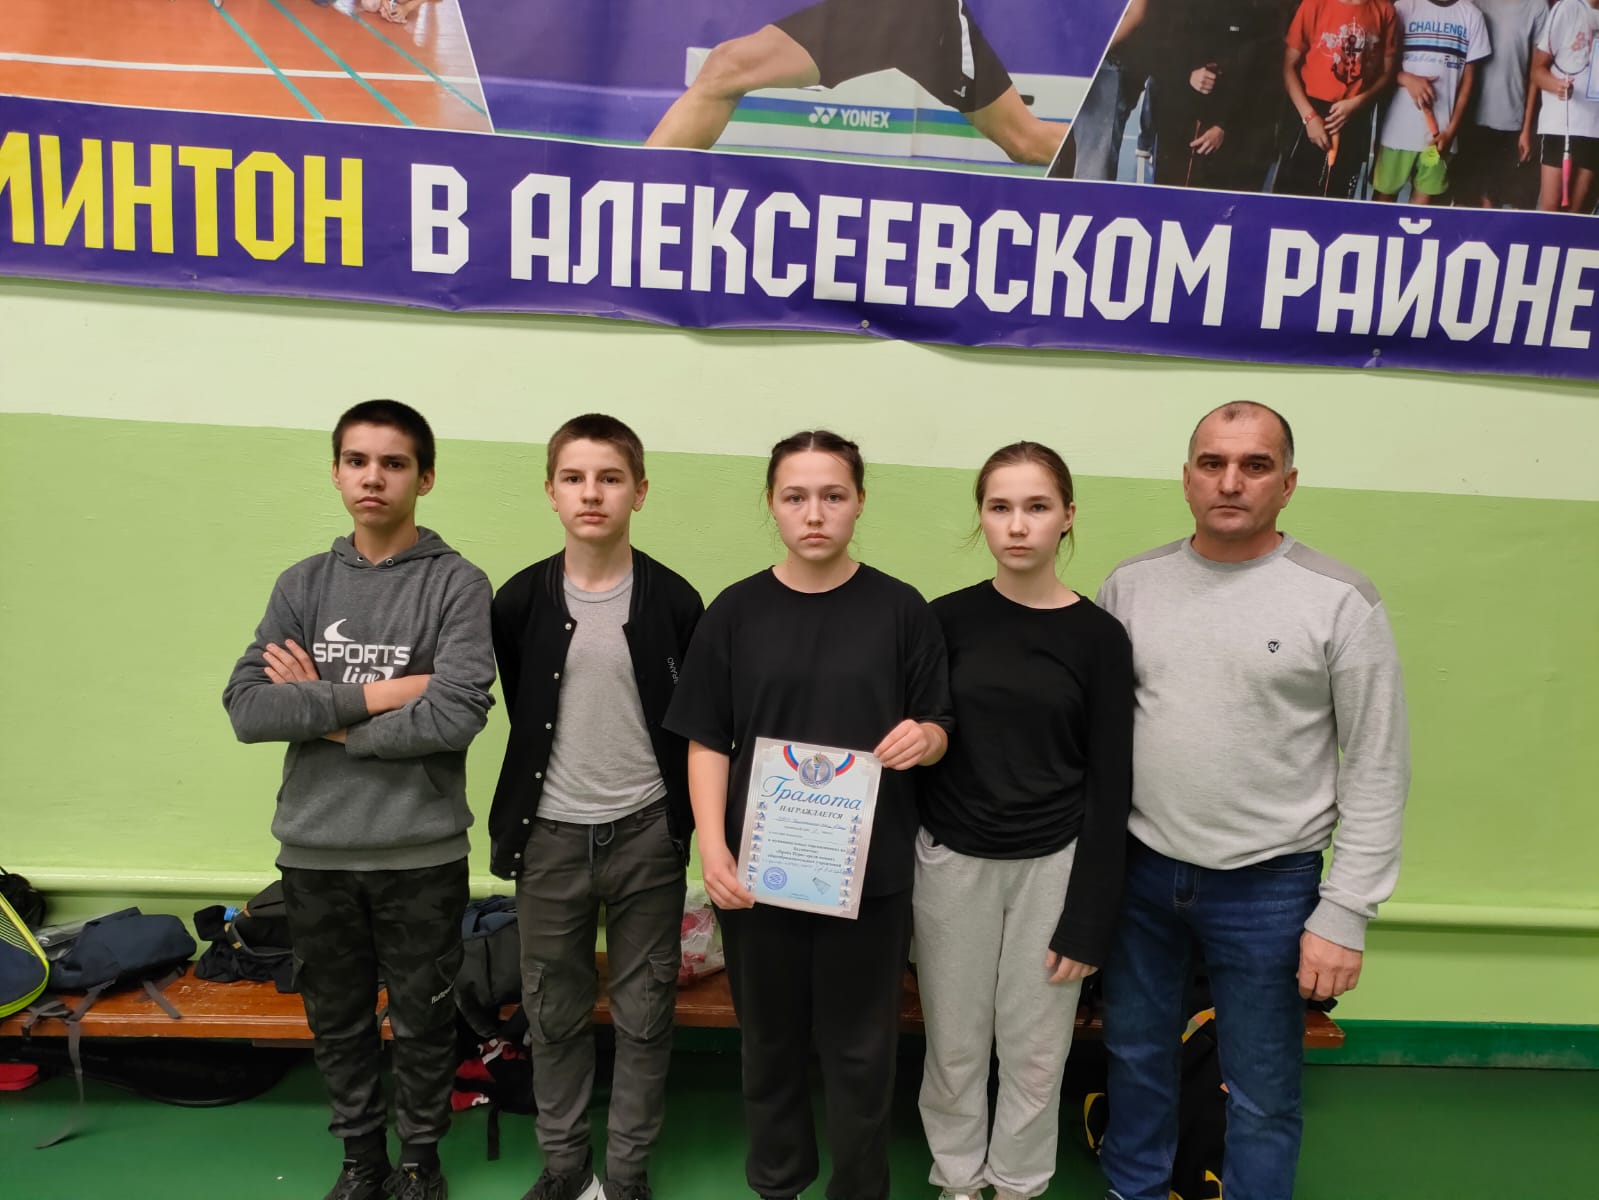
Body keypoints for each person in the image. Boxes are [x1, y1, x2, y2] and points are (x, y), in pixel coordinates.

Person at [1096, 401, 1410, 1200]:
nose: (1229, 482)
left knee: (1262, 1091)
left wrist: (1345, 913)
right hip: (1141, 874)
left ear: (1287, 484)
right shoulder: (1130, 587)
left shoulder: (1338, 600)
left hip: (1269, 888)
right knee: (1134, 1061)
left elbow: (1377, 764)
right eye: (1211, 463)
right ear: (1186, 478)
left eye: (1254, 465)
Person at [664, 430, 953, 1200]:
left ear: (858, 503)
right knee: (769, 1044)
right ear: (771, 503)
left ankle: (858, 1189)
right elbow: (706, 739)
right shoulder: (734, 612)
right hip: (760, 874)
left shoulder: (900, 610)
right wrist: (712, 849)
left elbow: (938, 725)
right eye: (795, 496)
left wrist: (925, 739)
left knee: (862, 1050)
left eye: (832, 495)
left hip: (869, 876)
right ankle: (778, 1181)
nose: (814, 513)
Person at [222, 400, 496, 1200]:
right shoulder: (302, 584)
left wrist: (323, 710)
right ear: (337, 473)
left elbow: (456, 715)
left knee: (424, 1017)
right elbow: (249, 710)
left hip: (421, 850)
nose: (373, 477)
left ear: (425, 478)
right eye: (356, 461)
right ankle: (360, 1161)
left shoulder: (456, 584)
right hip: (315, 851)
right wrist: (388, 693)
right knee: (337, 1021)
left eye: (393, 463)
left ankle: (418, 1162)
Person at [487, 415, 704, 1200]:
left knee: (645, 1012)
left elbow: (693, 724)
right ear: (550, 491)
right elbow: (523, 702)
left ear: (639, 492)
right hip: (548, 835)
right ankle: (563, 1167)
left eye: (610, 478)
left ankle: (629, 1172)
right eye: (574, 478)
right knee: (553, 1011)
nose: (591, 493)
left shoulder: (675, 601)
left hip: (647, 833)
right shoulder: (519, 600)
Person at [915, 443, 1133, 1200]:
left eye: (1036, 507)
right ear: (980, 517)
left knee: (1036, 1052)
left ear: (1067, 517)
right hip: (953, 862)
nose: (1017, 525)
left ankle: (1016, 1184)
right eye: (999, 507)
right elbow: (918, 746)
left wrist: (1089, 919)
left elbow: (1112, 782)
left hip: (1055, 866)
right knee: (954, 1046)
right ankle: (956, 1179)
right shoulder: (943, 621)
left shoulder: (1099, 638)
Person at [645, 0, 1064, 166]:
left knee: (1024, 141)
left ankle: (1094, 161)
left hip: (916, 15)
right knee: (725, 68)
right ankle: (634, 198)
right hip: (870, 11)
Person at [1372, 0, 1491, 203]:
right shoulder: (1403, 7)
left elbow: (1468, 83)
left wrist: (1451, 132)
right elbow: (1378, 65)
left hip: (1439, 137)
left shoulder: (1472, 15)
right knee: (1383, 202)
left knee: (1422, 210)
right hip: (1398, 132)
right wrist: (1405, 78)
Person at [1278, 0, 1398, 197]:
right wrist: (1309, 117)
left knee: (1338, 191)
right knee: (1294, 192)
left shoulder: (1385, 11)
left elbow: (1387, 72)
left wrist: (1359, 102)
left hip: (1354, 114)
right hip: (1310, 111)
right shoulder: (1314, 5)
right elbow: (1288, 67)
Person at [1451, 0, 1547, 208]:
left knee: (1492, 200)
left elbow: (1536, 71)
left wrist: (1526, 129)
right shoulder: (1473, 3)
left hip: (1510, 118)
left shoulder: (1537, 7)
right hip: (1469, 117)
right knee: (1464, 199)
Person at [1531, 0, 1599, 212]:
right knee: (1551, 211)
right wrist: (1557, 86)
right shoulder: (1567, 8)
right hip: (1561, 128)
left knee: (1578, 214)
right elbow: (1536, 71)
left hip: (1595, 130)